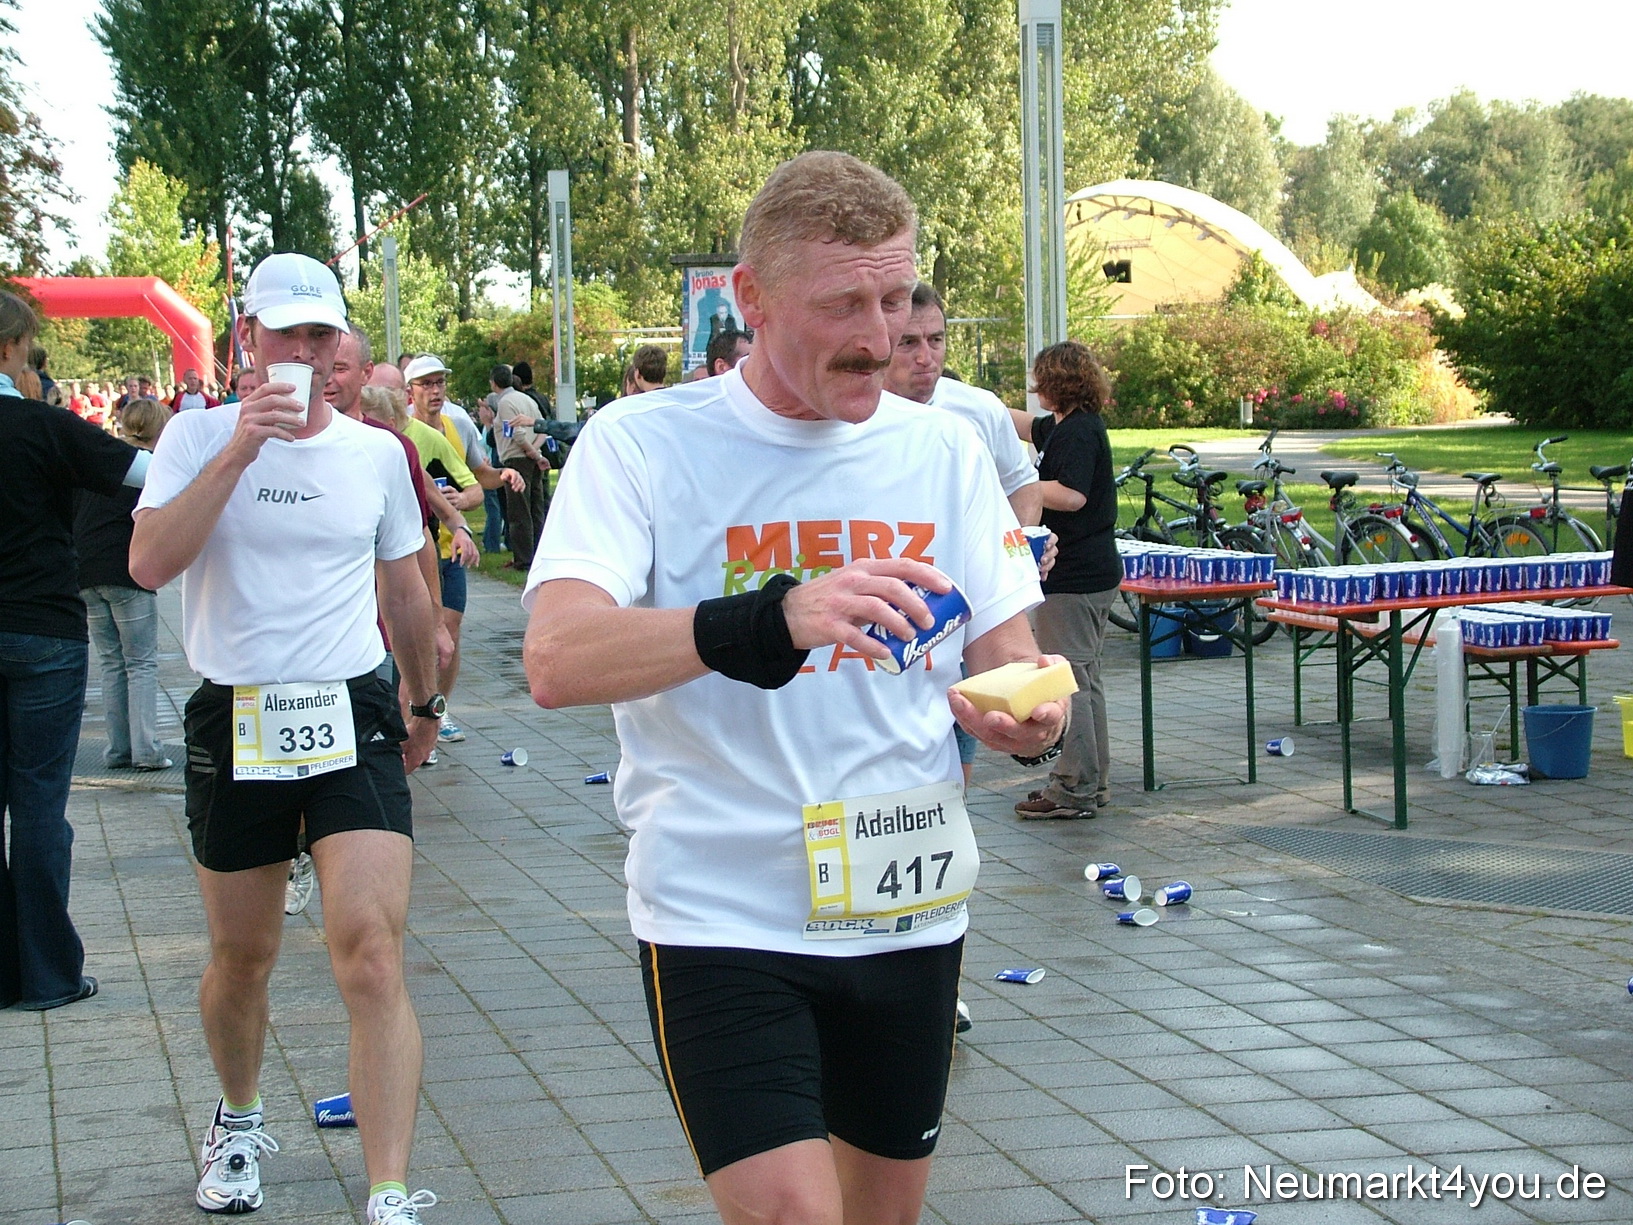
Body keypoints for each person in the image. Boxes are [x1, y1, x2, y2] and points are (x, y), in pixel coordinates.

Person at [522, 151, 1067, 1225]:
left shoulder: (943, 451)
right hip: (722, 911)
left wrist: (1028, 717)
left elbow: (1013, 655)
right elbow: (556, 656)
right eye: (842, 303)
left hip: (905, 906)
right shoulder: (643, 444)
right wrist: (769, 617)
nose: (880, 336)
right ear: (752, 298)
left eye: (896, 297)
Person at [129, 253, 442, 1225]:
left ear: (339, 344)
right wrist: (237, 456)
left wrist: (425, 701)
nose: (302, 353)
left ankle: (387, 1185)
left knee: (371, 949)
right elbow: (146, 564)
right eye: (284, 334)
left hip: (351, 708)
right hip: (237, 714)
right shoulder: (193, 436)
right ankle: (238, 1117)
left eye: (319, 336)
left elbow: (404, 588)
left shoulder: (376, 452)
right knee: (243, 954)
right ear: (246, 340)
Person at [0, 290, 148, 1011]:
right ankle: (49, 973)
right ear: (12, 345)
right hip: (43, 628)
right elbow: (146, 474)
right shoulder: (45, 427)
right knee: (37, 806)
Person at [885, 281, 1044, 792]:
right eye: (909, 342)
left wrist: (1015, 552)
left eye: (936, 340)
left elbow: (1023, 483)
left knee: (951, 786)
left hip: (959, 633)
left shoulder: (974, 412)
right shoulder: (843, 418)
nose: (925, 357)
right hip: (880, 635)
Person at [1007, 341, 1121, 820]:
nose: (1035, 390)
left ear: (1057, 383)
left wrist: (1021, 489)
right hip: (1091, 572)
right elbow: (1022, 425)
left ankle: (1073, 788)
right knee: (1084, 679)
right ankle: (1089, 782)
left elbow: (1072, 495)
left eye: (1040, 381)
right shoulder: (1063, 424)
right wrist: (971, 404)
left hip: (1074, 576)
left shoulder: (1077, 433)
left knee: (1068, 683)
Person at [403, 354, 522, 746]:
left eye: (440, 383)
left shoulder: (457, 427)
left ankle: (439, 713)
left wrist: (500, 477)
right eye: (427, 385)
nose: (435, 391)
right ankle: (410, 715)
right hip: (411, 550)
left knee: (449, 634)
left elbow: (476, 478)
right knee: (416, 636)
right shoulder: (399, 429)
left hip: (449, 548)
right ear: (410, 391)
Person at [76, 397, 173, 772]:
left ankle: (117, 748)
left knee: (111, 662)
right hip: (126, 573)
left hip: (87, 571)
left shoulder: (100, 462)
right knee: (141, 663)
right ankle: (147, 749)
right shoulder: (148, 470)